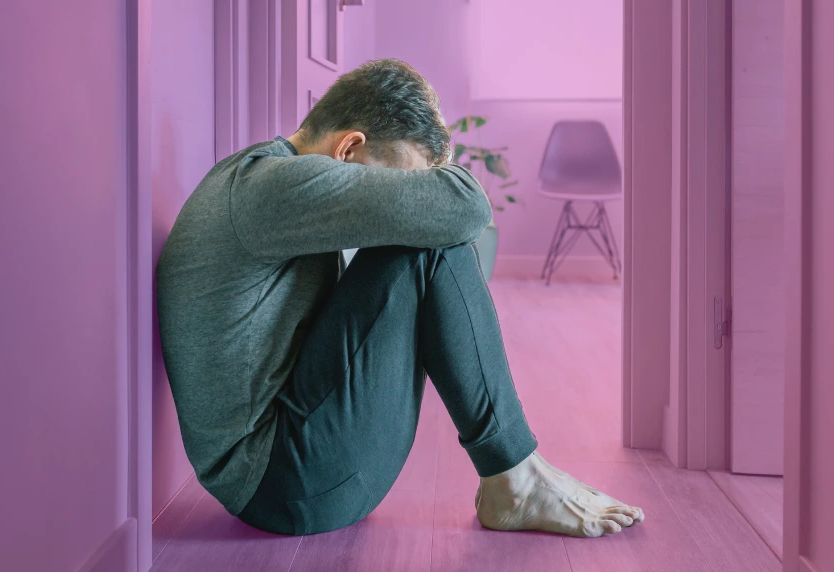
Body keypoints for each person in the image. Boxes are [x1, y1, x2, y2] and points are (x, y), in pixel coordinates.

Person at [156, 58, 644, 537]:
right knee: (426, 241)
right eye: (395, 179)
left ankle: (519, 466)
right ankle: (514, 473)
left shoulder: (262, 178)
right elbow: (466, 205)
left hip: (296, 471)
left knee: (424, 230)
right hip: (284, 485)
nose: (393, 195)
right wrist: (422, 197)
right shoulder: (274, 186)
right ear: (349, 149)